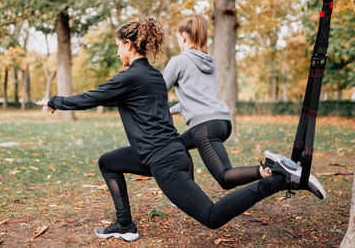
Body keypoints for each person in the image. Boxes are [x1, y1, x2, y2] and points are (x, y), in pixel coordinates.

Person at [36, 17, 325, 242]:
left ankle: (276, 180)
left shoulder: (131, 77)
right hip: (162, 153)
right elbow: (115, 99)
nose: (116, 51)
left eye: (117, 45)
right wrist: (63, 103)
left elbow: (94, 96)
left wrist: (54, 101)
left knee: (211, 216)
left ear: (128, 43)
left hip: (164, 161)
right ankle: (124, 225)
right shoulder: (150, 76)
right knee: (108, 161)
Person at [163, 14, 270, 190]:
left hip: (205, 127)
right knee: (178, 146)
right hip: (222, 122)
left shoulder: (179, 61)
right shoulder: (209, 61)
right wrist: (172, 110)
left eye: (178, 39)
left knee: (225, 177)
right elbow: (198, 98)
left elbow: (158, 90)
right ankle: (188, 191)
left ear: (183, 37)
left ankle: (267, 170)